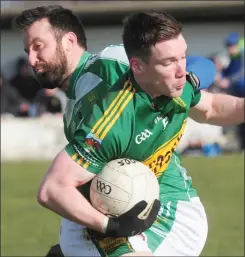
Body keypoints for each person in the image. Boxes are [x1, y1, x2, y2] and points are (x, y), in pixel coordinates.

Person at [14, 5, 221, 257]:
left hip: (168, 209)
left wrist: (190, 82)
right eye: (28, 51)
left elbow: (204, 66)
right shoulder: (73, 108)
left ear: (69, 41)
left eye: (38, 46)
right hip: (127, 213)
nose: (31, 60)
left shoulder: (112, 63)